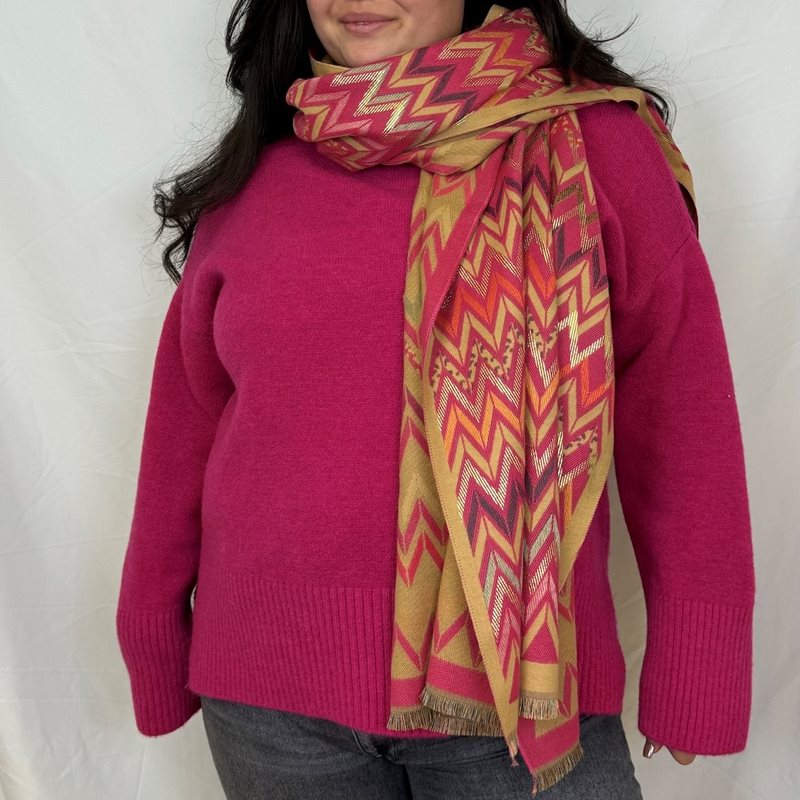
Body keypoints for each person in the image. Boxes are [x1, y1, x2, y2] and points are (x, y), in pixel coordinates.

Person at [115, 1, 756, 797]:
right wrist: (150, 626)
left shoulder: (593, 151)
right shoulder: (256, 176)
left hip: (519, 701)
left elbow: (684, 423)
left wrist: (698, 663)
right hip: (268, 707)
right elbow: (185, 428)